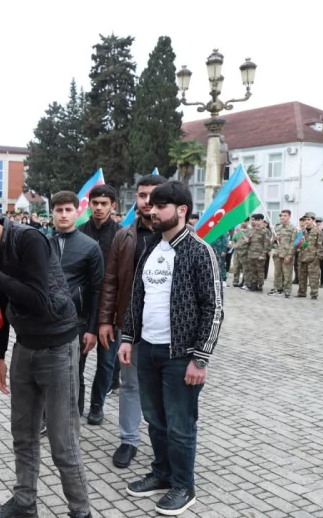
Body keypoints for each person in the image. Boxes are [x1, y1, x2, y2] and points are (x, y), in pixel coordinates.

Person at [0, 202, 93, 518]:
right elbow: (2, 304)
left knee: (63, 442)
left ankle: (81, 511)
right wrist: (0, 356)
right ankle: (25, 503)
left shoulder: (29, 240)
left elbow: (39, 300)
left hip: (57, 346)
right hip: (24, 347)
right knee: (23, 434)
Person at [119, 181, 223, 516]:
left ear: (181, 210)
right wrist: (127, 338)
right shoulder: (151, 247)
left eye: (160, 205)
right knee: (155, 420)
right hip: (148, 349)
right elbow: (137, 297)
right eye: (151, 205)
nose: (152, 211)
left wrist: (200, 358)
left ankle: (183, 486)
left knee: (180, 425)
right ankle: (162, 474)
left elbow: (213, 308)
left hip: (181, 355)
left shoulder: (199, 250)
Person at [98, 173, 166, 469]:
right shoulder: (124, 236)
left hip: (167, 328)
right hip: (131, 325)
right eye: (142, 195)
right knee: (129, 385)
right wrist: (105, 320)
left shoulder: (180, 236)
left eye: (154, 195)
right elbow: (111, 281)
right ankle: (128, 440)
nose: (147, 201)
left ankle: (167, 443)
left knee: (166, 387)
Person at [46, 191, 103, 435]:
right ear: (52, 212)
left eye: (68, 210)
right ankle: (48, 420)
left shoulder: (90, 247)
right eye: (58, 210)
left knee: (74, 374)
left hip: (76, 323)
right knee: (46, 373)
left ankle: (71, 425)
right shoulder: (41, 242)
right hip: (45, 321)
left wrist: (92, 328)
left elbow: (97, 290)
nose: (63, 214)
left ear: (77, 212)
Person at [78, 184, 120, 424]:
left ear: (113, 205)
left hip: (110, 310)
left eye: (104, 203)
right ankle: (77, 403)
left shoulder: (122, 235)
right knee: (78, 361)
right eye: (95, 203)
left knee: (106, 363)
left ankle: (97, 405)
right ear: (89, 204)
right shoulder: (79, 233)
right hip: (83, 308)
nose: (99, 208)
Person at [296, 212, 323, 299]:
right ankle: (302, 292)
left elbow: (321, 246)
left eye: (309, 219)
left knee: (314, 277)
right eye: (305, 220)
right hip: (302, 257)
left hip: (313, 258)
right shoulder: (302, 231)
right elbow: (298, 244)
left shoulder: (318, 231)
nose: (307, 221)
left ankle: (314, 294)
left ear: (313, 220)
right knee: (301, 276)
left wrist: (318, 257)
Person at [269, 209, 296, 298]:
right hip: (277, 254)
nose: (282, 217)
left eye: (285, 216)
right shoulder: (277, 228)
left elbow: (293, 244)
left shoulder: (293, 229)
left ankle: (287, 290)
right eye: (281, 215)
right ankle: (277, 289)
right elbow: (273, 242)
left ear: (289, 217)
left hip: (286, 254)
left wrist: (289, 256)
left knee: (287, 274)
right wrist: (275, 239)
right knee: (277, 273)